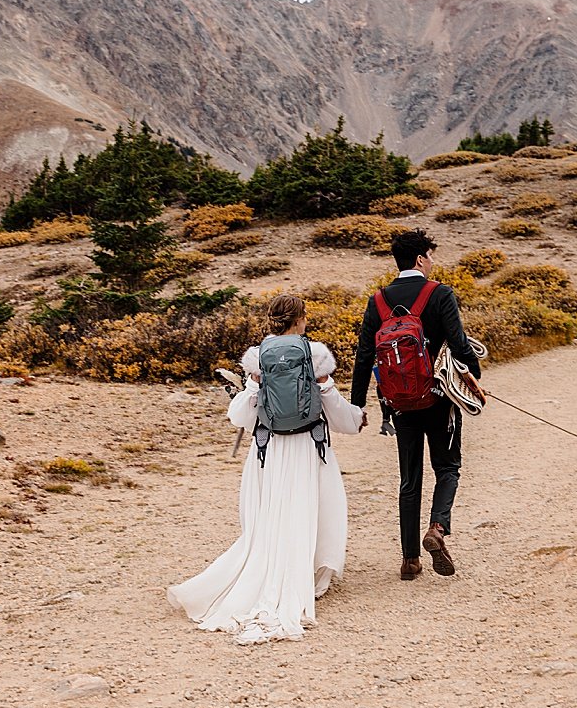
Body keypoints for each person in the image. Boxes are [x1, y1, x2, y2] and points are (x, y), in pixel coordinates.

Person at [167, 294, 363, 643]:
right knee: (312, 510)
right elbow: (333, 408)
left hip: (268, 451)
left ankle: (263, 574)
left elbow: (241, 415)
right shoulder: (315, 353)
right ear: (300, 319)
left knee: (272, 516)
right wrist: (356, 419)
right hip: (307, 448)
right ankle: (309, 576)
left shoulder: (257, 357)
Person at [351, 228, 483, 580]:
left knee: (409, 480)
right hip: (439, 398)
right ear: (421, 258)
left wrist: (357, 404)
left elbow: (364, 356)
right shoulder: (439, 293)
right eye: (431, 256)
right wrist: (475, 376)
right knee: (448, 467)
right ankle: (437, 529)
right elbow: (458, 343)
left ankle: (409, 560)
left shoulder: (377, 301)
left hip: (399, 402)